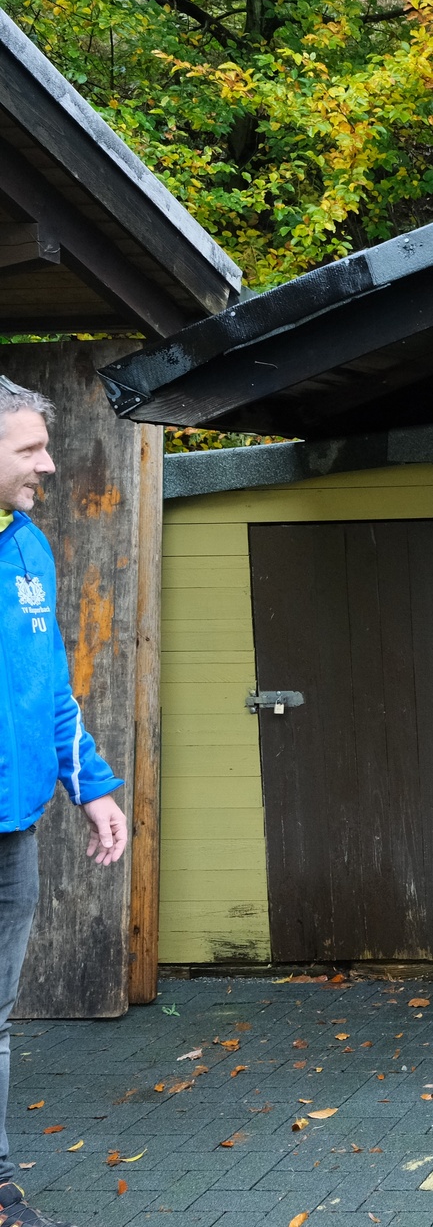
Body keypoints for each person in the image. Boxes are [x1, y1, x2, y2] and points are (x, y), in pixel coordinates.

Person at [0, 377, 131, 1227]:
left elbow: (49, 690)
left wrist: (91, 787)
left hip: (13, 830)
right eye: (28, 450)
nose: (47, 465)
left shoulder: (29, 549)